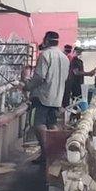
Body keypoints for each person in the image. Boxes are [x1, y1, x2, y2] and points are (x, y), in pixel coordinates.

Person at [23, 31, 69, 164]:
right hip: (57, 97)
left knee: (38, 125)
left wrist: (27, 86)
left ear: (47, 41)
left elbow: (39, 77)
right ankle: (55, 153)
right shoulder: (64, 57)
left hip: (43, 96)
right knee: (52, 124)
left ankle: (46, 153)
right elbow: (65, 78)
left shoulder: (45, 55)